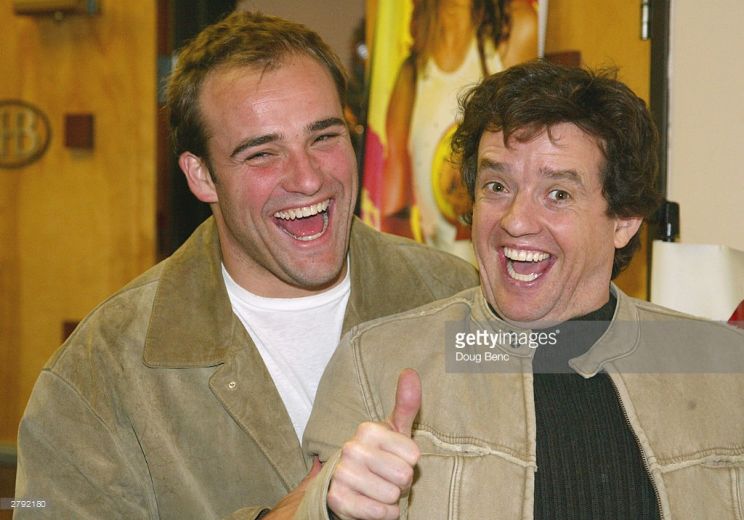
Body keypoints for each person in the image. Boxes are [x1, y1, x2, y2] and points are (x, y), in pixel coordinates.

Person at [13, 11, 478, 520]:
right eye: (261, 154)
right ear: (201, 176)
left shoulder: (458, 298)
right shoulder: (101, 370)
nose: (307, 179)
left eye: (324, 137)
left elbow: (544, 440)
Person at [300, 60, 744, 519]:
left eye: (558, 194)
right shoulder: (376, 364)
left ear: (624, 220)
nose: (515, 220)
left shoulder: (727, 368)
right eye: (497, 186)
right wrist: (334, 509)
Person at [381, 0, 537, 262]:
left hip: (503, 267)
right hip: (437, 271)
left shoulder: (514, 30)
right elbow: (394, 210)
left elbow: (530, 165)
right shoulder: (411, 73)